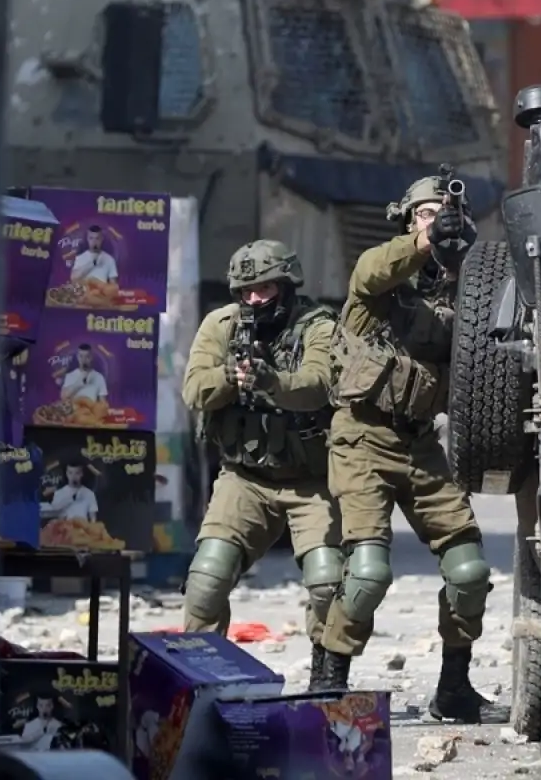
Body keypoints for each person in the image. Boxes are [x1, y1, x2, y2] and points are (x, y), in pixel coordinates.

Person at [315, 173, 497, 724]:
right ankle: (328, 681)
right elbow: (371, 271)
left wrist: (463, 264)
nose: (438, 220)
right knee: (368, 573)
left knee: (468, 570)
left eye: (447, 213)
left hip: (420, 442)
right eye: (426, 213)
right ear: (408, 221)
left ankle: (454, 687)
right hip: (362, 437)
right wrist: (424, 242)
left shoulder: (466, 290)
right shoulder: (381, 277)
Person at [182, 239, 343, 688]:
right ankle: (203, 680)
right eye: (246, 291)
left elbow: (317, 384)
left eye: (265, 289)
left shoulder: (319, 326)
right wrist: (230, 377)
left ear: (287, 286)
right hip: (245, 478)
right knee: (206, 581)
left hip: (311, 480)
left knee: (327, 582)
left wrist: (272, 381)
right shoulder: (220, 325)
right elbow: (194, 390)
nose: (254, 299)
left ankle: (327, 677)